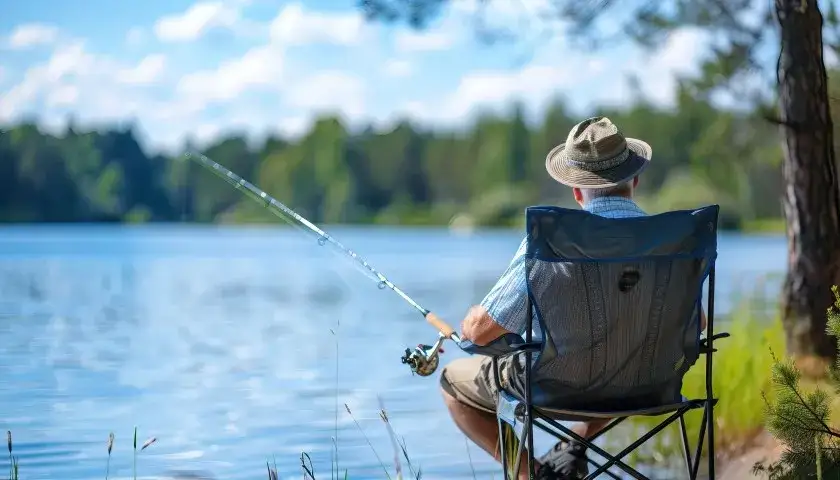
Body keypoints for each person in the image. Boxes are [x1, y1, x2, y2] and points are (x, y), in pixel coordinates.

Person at [438, 116, 707, 480]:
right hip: (651, 386)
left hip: (553, 389)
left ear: (577, 192)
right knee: (625, 355)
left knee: (451, 381)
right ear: (635, 181)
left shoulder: (551, 243)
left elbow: (481, 333)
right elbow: (697, 322)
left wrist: (471, 320)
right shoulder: (674, 244)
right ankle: (573, 447)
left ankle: (533, 474)